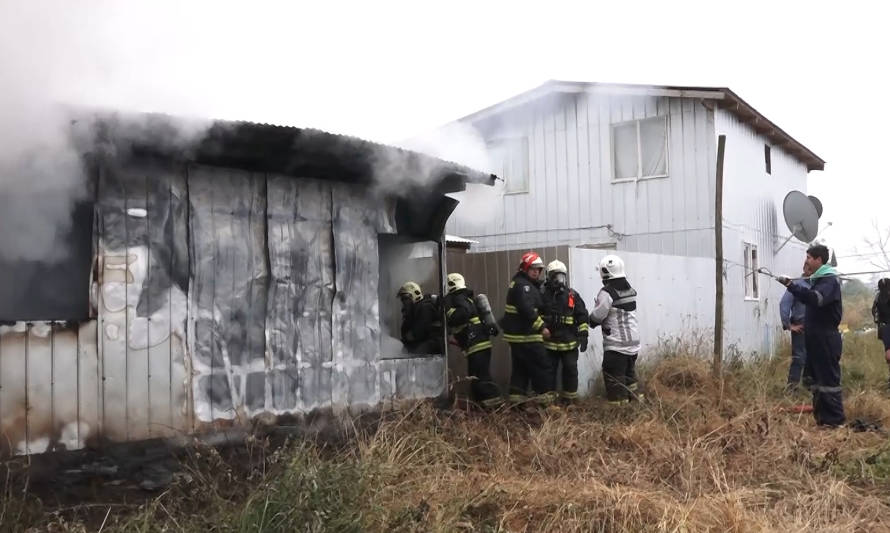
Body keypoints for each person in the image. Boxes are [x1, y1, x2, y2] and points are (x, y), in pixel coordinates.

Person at [778, 244, 844, 428]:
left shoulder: (829, 281)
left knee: (828, 381)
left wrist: (792, 286)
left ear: (818, 260)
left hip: (826, 339)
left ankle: (834, 422)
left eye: (808, 257)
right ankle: (822, 419)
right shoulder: (818, 280)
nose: (805, 261)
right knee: (816, 381)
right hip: (814, 339)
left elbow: (815, 299)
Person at [502, 251, 555, 406]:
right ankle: (545, 405)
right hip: (527, 336)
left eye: (539, 269)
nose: (536, 272)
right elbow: (527, 310)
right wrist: (542, 328)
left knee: (521, 371)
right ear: (524, 268)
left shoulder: (524, 284)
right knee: (542, 367)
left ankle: (516, 404)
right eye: (533, 268)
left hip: (520, 337)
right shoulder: (523, 286)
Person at [443, 273, 502, 408]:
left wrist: (449, 312)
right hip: (478, 344)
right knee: (476, 378)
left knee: (480, 378)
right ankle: (484, 406)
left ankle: (496, 406)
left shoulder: (458, 297)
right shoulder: (465, 297)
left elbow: (464, 313)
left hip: (477, 344)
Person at [589, 255, 641, 404]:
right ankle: (637, 405)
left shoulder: (607, 292)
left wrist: (590, 321)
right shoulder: (630, 289)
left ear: (605, 272)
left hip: (617, 346)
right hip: (633, 346)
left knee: (614, 380)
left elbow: (598, 315)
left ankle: (620, 412)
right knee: (629, 377)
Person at [541, 260, 589, 403]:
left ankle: (570, 401)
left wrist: (584, 334)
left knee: (570, 369)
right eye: (554, 276)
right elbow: (534, 314)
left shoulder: (572, 295)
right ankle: (548, 403)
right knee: (548, 372)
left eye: (561, 276)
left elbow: (582, 315)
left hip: (569, 342)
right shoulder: (541, 294)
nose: (558, 280)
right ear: (548, 277)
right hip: (548, 343)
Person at [779, 263, 814, 392]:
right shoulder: (797, 285)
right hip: (801, 326)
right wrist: (788, 325)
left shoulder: (818, 285)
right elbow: (784, 304)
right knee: (799, 358)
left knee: (814, 357)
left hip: (816, 327)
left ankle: (809, 386)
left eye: (813, 268)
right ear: (804, 268)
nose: (810, 270)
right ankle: (791, 388)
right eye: (808, 267)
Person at [397, 281, 442, 354]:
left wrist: (408, 337)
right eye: (402, 300)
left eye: (405, 298)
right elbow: (405, 333)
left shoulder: (425, 307)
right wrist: (407, 316)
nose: (404, 302)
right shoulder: (413, 310)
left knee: (413, 352)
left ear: (415, 295)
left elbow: (418, 333)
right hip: (423, 343)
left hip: (433, 345)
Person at [872, 278, 890, 387]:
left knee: (888, 354)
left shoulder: (878, 296)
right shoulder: (878, 297)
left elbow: (874, 312)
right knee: (888, 354)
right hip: (885, 327)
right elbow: (874, 312)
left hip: (884, 327)